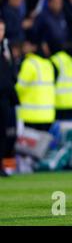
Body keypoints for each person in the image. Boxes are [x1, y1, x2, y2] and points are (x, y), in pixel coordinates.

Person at [0, 20, 19, 177]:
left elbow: (11, 68)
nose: (1, 32)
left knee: (4, 133)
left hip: (6, 97)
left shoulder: (6, 47)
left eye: (2, 29)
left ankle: (2, 164)